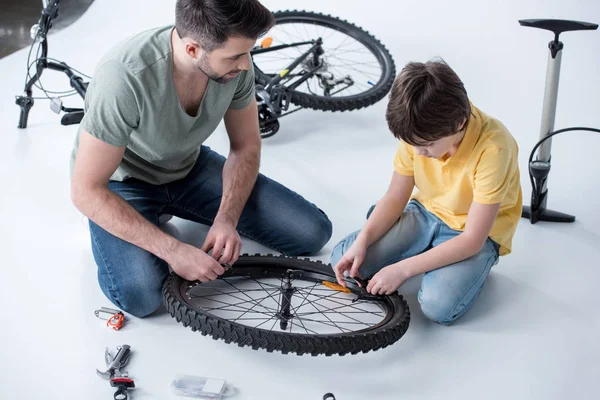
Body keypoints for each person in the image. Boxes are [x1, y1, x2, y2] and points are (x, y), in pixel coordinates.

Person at [69, 0, 332, 318]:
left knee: (311, 233)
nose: (246, 65)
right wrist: (172, 249)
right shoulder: (124, 78)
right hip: (121, 182)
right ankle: (121, 225)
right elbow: (86, 190)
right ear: (193, 50)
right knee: (142, 297)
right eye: (235, 56)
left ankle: (156, 222)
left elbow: (246, 147)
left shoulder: (235, 67)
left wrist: (227, 218)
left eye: (247, 52)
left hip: (186, 167)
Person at [330, 59, 522, 325]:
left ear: (459, 123)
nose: (419, 152)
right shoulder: (416, 131)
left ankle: (461, 262)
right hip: (425, 212)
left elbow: (471, 240)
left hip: (472, 233)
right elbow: (396, 196)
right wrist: (362, 241)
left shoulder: (494, 148)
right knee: (343, 259)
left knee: (437, 307)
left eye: (428, 145)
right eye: (412, 145)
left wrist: (402, 269)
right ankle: (420, 248)